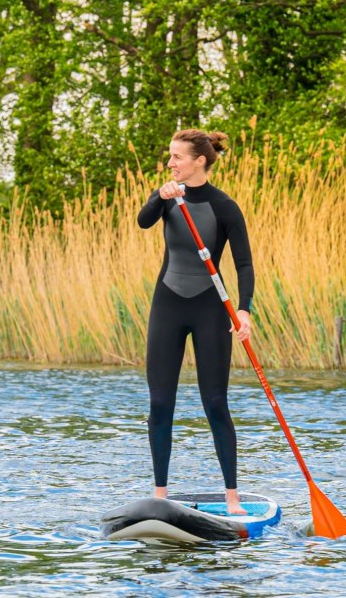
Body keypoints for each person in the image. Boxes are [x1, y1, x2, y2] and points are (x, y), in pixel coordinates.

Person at [136, 128, 254, 515]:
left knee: (215, 403)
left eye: (177, 158)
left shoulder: (224, 206)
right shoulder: (170, 198)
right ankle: (160, 495)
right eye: (169, 157)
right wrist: (159, 194)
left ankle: (233, 499)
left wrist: (243, 310)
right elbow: (143, 221)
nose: (170, 164)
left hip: (209, 308)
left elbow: (243, 263)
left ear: (199, 161)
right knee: (159, 404)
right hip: (168, 306)